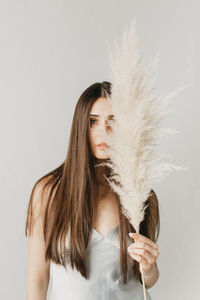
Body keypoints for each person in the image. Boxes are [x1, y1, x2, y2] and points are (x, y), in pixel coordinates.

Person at [25, 81, 160, 300]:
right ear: (80, 126)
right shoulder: (48, 192)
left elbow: (148, 280)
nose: (104, 131)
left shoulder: (140, 194)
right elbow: (37, 280)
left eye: (113, 121)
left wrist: (149, 267)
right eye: (93, 121)